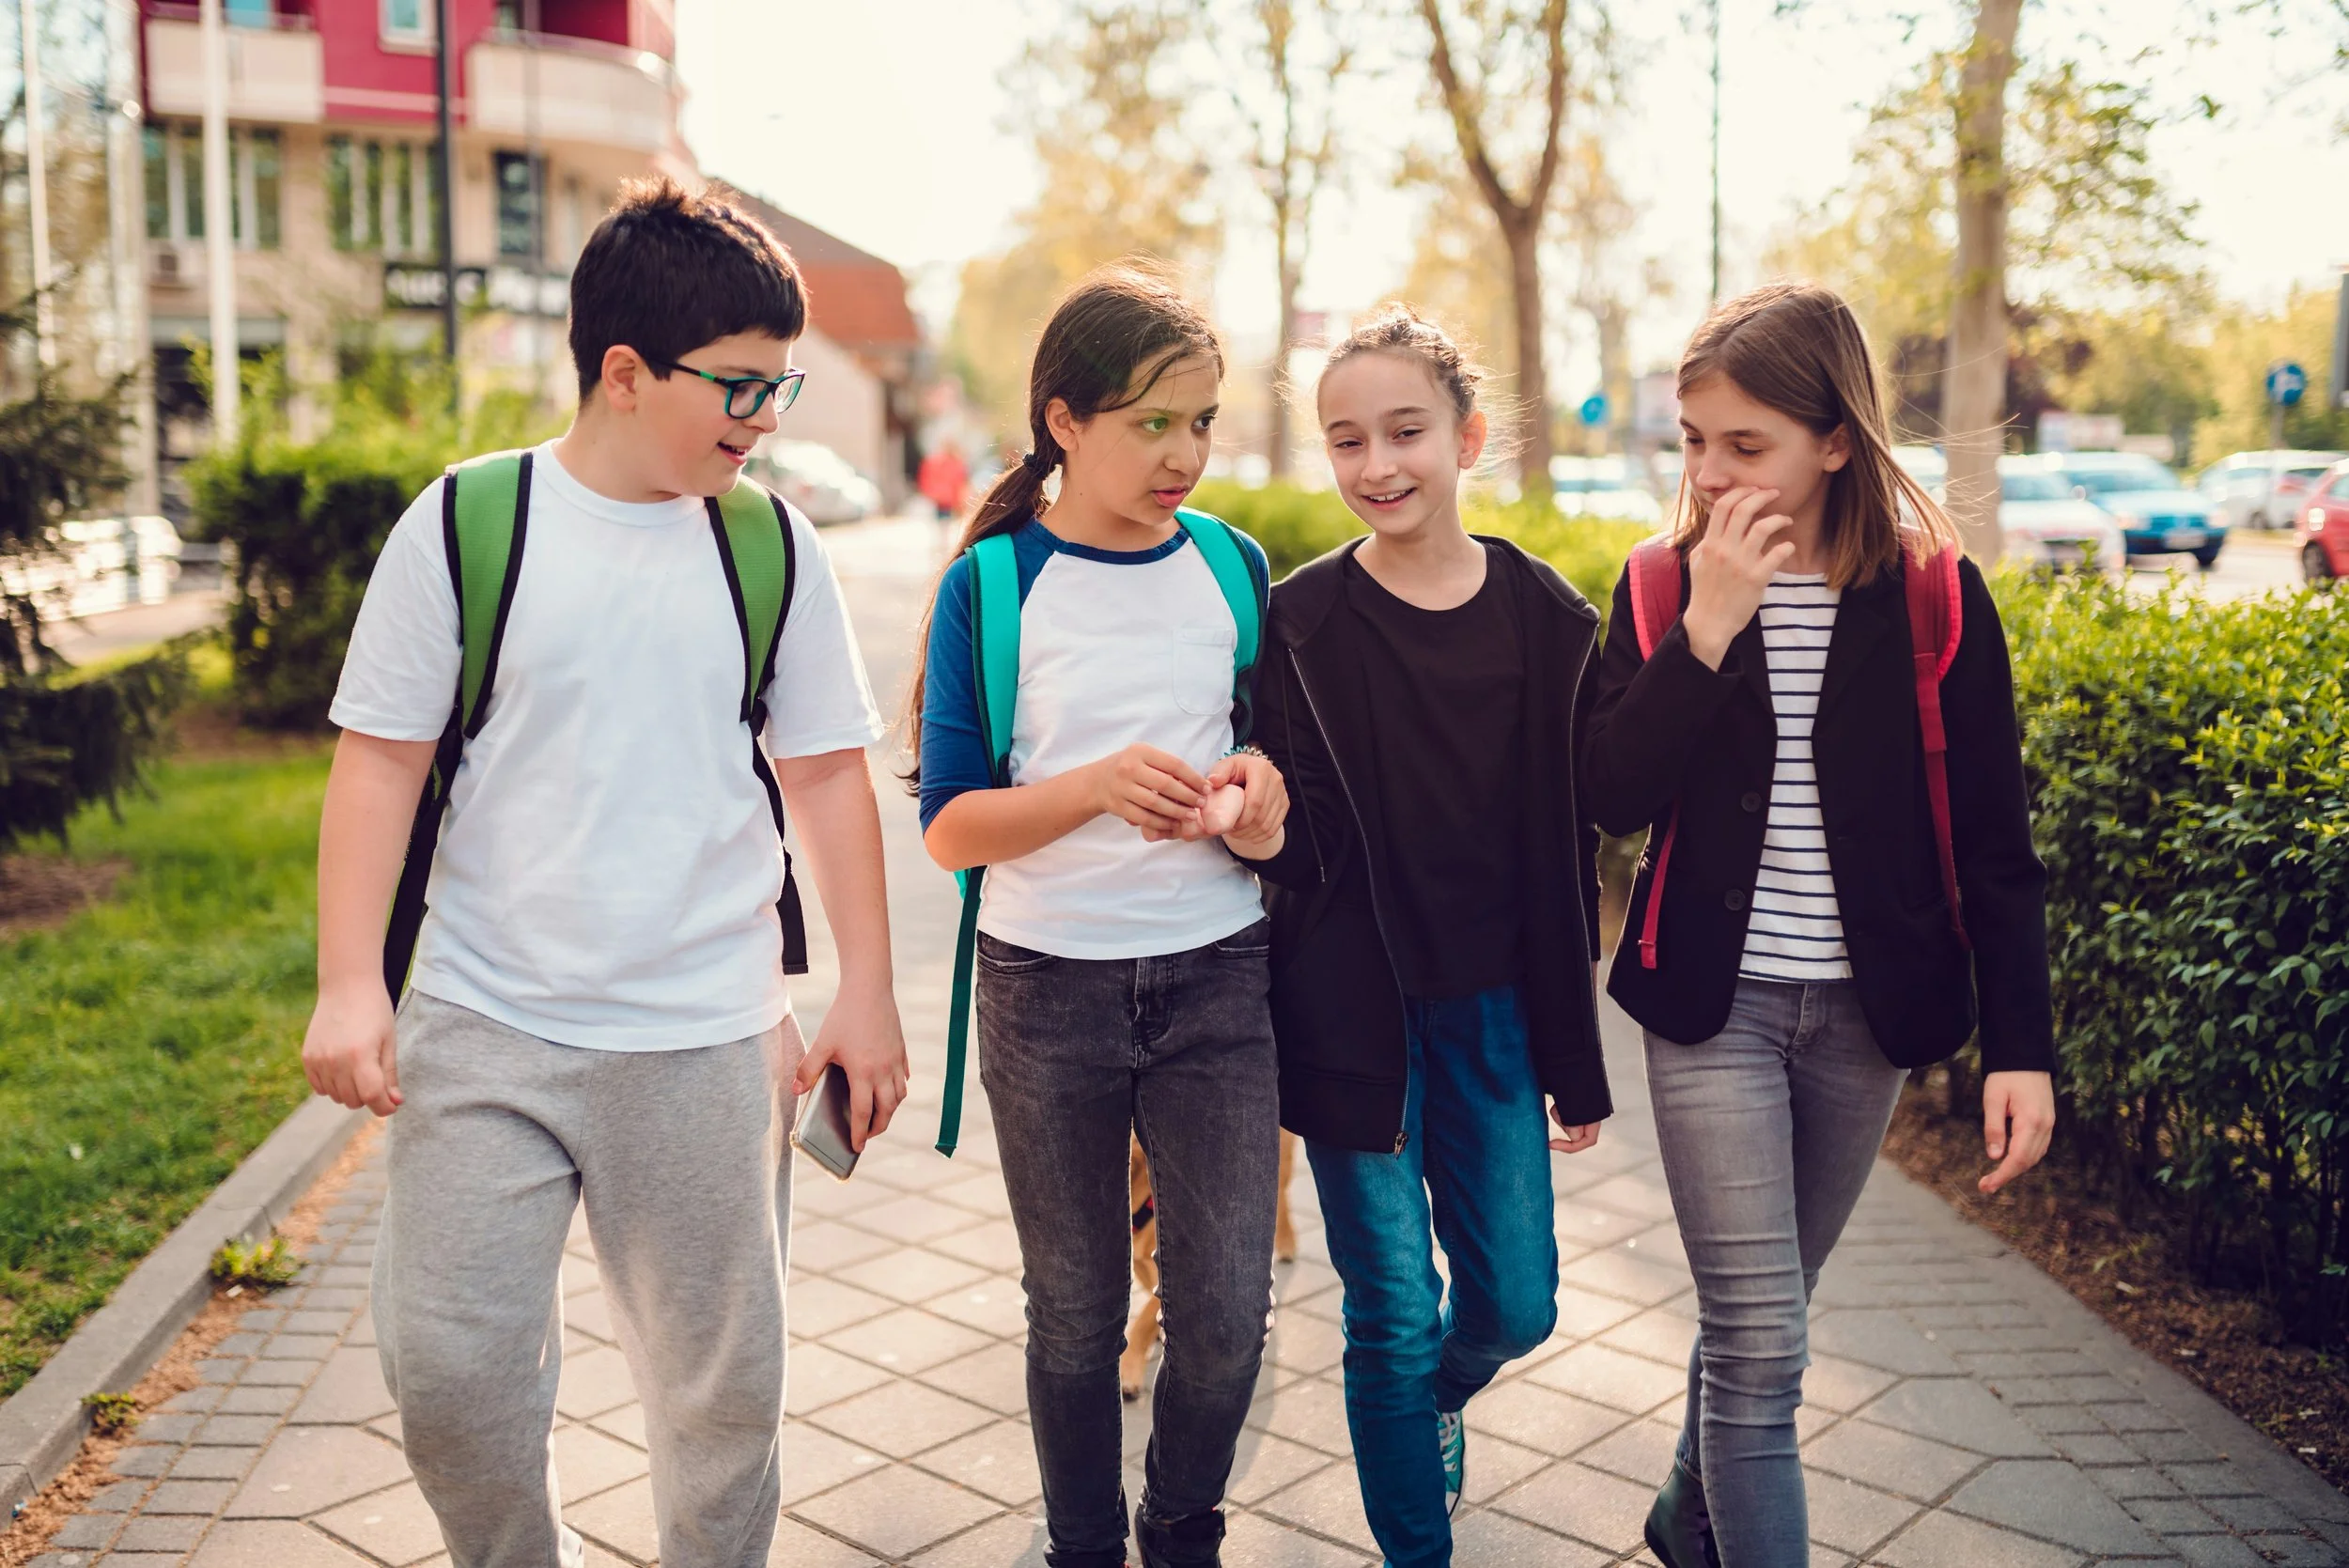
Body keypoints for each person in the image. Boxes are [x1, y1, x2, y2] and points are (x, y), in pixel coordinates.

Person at [302, 177, 908, 1568]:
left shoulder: (770, 549)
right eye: (741, 391)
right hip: (483, 1022)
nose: (765, 423)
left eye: (782, 390)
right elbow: (380, 764)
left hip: (701, 1038)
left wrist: (866, 994)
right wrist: (351, 985)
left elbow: (823, 775)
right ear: (623, 374)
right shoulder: (466, 525)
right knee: (451, 1378)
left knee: (722, 1402)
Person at [1581, 282, 2057, 1568]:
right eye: (1694, 442)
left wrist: (2024, 1050)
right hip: (1711, 1012)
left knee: (1764, 1318)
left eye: (1748, 444)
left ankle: (1693, 1516)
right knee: (1764, 1350)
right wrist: (1710, 629)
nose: (1712, 472)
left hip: (1867, 1022)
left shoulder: (1935, 599)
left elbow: (2001, 848)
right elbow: (1606, 796)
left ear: (1834, 438)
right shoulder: (1659, 583)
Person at [911, 265, 1288, 1568]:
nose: (1185, 453)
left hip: (1221, 983)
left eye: (1203, 421)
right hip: (1045, 994)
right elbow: (951, 824)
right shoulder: (995, 589)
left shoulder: (1235, 570)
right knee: (1073, 1314)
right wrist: (1086, 791)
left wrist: (1256, 803)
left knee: (1229, 1311)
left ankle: (1181, 1528)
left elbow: (1274, 783)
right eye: (1152, 424)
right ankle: (1084, 1542)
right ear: (1064, 422)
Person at [1243, 305, 1613, 1568]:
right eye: (1346, 441)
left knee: (1516, 1301)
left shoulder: (1546, 617)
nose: (1375, 466)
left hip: (1496, 1011)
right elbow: (1301, 838)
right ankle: (1416, 1543)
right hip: (1353, 1014)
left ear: (1468, 436)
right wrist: (1259, 830)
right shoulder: (1297, 625)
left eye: (1404, 431)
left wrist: (1575, 1055)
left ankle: (1448, 1400)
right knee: (1390, 1313)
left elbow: (1583, 842)